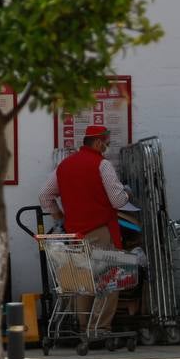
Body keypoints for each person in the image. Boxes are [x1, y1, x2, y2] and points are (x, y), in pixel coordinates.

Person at [38, 125, 133, 333]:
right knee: (109, 281)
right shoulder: (102, 165)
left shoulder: (63, 166)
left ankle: (82, 327)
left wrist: (60, 217)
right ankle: (100, 328)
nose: (107, 146)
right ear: (98, 142)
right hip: (101, 231)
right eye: (106, 142)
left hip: (74, 234)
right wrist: (127, 193)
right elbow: (117, 201)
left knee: (83, 281)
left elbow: (45, 195)